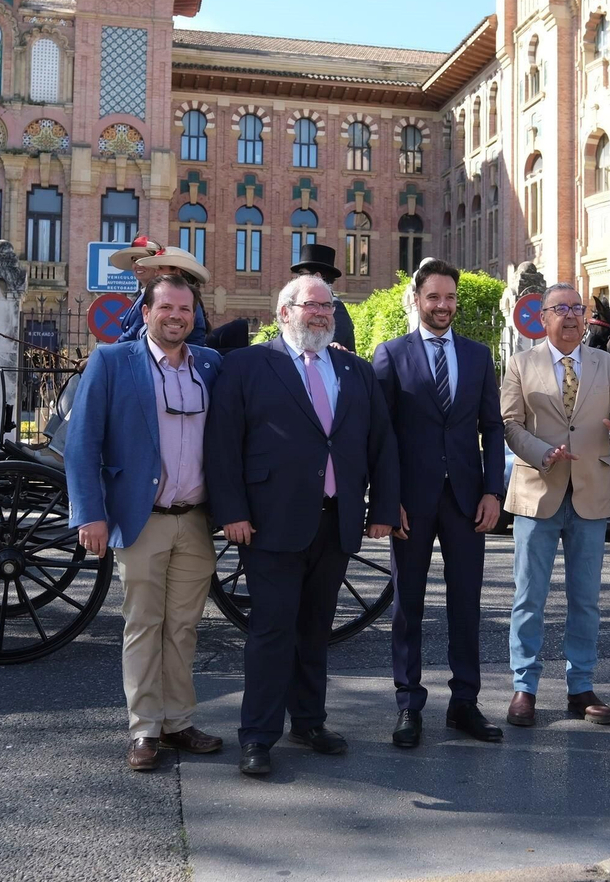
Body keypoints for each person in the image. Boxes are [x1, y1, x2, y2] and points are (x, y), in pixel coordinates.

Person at [206, 274, 398, 778]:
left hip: (335, 522)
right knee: (271, 631)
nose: (321, 313)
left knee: (315, 629)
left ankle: (309, 721)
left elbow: (381, 445)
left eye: (327, 306)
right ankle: (257, 736)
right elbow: (223, 445)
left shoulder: (354, 371)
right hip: (269, 524)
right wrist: (232, 512)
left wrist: (381, 510)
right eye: (312, 305)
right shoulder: (247, 366)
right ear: (284, 311)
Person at [66, 273, 226, 772]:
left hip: (196, 520)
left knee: (184, 627)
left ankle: (178, 721)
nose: (177, 316)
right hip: (141, 519)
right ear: (148, 311)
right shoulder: (114, 361)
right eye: (167, 308)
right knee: (143, 625)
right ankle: (144, 730)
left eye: (185, 309)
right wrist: (89, 513)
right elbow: (82, 442)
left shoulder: (211, 365)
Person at [372, 259, 506, 748]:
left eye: (450, 298)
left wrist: (494, 492)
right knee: (408, 605)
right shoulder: (390, 355)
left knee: (466, 603)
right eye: (434, 297)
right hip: (411, 503)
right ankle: (409, 705)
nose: (443, 306)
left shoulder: (477, 356)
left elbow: (493, 428)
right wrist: (387, 502)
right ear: (417, 298)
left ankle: (464, 703)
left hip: (469, 501)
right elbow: (379, 437)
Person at [500, 283, 610, 728]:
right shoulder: (520, 365)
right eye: (559, 309)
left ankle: (580, 686)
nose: (570, 316)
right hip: (537, 491)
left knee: (586, 600)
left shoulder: (607, 363)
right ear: (542, 318)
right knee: (530, 598)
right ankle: (524, 688)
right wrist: (542, 453)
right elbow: (509, 423)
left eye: (577, 309)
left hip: (591, 493)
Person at [108, 237, 212, 346]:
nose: (156, 272)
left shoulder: (189, 300)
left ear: (177, 271)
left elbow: (137, 334)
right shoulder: (145, 295)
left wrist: (108, 353)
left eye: (160, 268)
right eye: (165, 307)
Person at [292, 243, 356, 353]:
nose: (297, 279)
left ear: (317, 276)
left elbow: (327, 349)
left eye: (301, 274)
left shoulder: (335, 306)